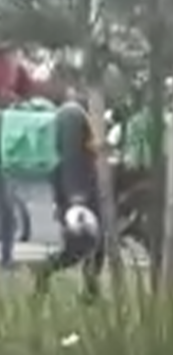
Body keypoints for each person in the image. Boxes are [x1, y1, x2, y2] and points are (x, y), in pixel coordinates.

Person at [34, 96, 103, 299]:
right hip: (77, 194)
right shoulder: (72, 114)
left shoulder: (73, 116)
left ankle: (91, 292)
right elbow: (72, 157)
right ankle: (44, 273)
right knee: (79, 247)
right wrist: (77, 198)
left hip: (78, 190)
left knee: (95, 245)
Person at [0, 47, 51, 268]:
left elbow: (29, 92)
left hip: (6, 143)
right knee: (6, 202)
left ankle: (7, 256)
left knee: (6, 202)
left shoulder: (16, 66)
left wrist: (29, 103)